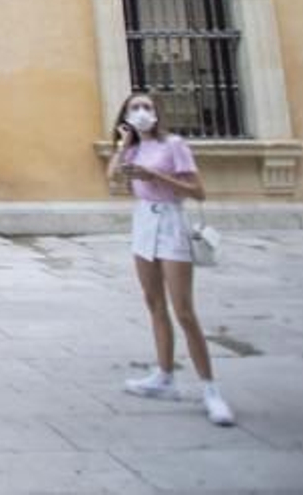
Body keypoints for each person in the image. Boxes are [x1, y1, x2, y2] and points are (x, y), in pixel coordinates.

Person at [106, 91, 235, 426]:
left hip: (172, 222)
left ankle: (211, 391)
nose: (141, 111)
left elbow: (198, 191)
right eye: (134, 107)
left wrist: (156, 177)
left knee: (185, 311)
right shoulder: (133, 149)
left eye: (147, 107)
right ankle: (164, 376)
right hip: (143, 222)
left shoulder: (174, 145)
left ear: (158, 112)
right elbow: (112, 180)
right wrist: (122, 145)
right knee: (154, 305)